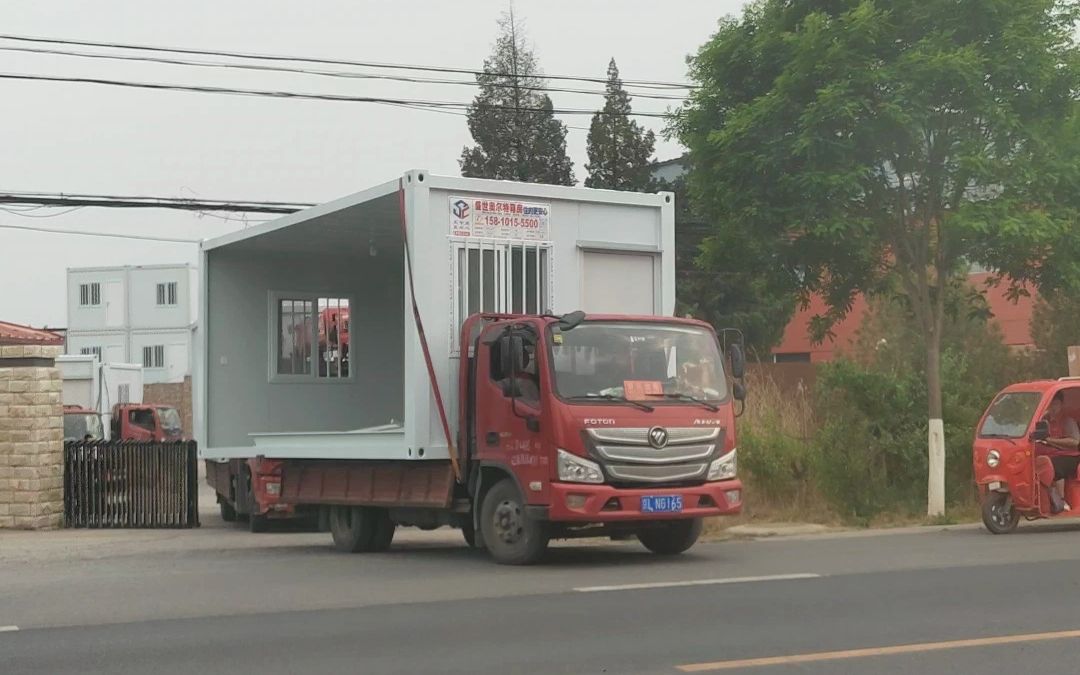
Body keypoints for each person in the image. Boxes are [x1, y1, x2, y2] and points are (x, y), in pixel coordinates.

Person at [1040, 390, 1080, 512]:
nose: (1053, 407)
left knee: (1054, 466)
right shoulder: (1043, 420)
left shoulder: (1067, 421)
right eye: (1051, 404)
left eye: (1056, 404)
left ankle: (1061, 501)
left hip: (1071, 456)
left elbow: (1075, 442)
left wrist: (1050, 440)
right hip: (1048, 455)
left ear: (1061, 405)